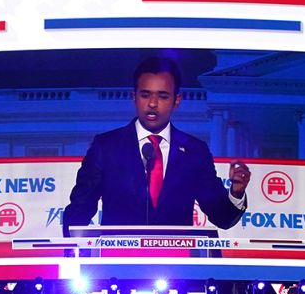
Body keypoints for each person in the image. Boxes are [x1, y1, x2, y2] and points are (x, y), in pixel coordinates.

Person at [62, 55, 252, 232]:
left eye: (162, 96)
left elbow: (222, 217)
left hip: (177, 264)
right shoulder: (106, 147)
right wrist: (72, 250)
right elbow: (80, 209)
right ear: (134, 97)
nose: (152, 104)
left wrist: (236, 191)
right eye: (145, 95)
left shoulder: (195, 151)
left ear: (176, 100)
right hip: (118, 263)